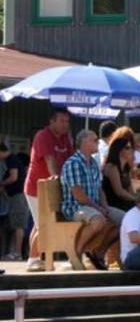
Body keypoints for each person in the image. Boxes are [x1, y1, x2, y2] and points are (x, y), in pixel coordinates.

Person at [60, 129, 123, 270]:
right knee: (98, 220)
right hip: (75, 207)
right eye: (95, 140)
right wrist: (99, 208)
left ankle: (99, 252)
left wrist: (105, 206)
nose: (98, 142)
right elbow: (78, 195)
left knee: (125, 221)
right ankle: (77, 252)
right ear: (84, 142)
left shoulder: (93, 163)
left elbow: (100, 189)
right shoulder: (73, 163)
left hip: (93, 206)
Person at [24, 107, 73, 271]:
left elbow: (70, 161)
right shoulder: (42, 136)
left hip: (53, 188)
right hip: (36, 188)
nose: (65, 124)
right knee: (43, 225)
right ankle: (33, 259)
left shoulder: (66, 138)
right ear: (51, 121)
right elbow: (51, 165)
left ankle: (35, 258)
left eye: (67, 121)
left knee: (40, 224)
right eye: (62, 121)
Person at [0, 144, 28, 260]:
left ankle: (17, 253)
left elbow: (13, 177)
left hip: (18, 196)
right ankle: (14, 252)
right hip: (14, 196)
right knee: (15, 224)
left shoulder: (12, 160)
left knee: (18, 224)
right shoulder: (11, 160)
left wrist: (1, 183)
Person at [102, 136, 138, 214]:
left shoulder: (126, 168)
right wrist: (135, 199)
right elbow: (119, 192)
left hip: (124, 202)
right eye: (128, 147)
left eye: (131, 147)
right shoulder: (112, 167)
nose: (132, 150)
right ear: (119, 150)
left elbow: (130, 189)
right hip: (114, 204)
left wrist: (137, 198)